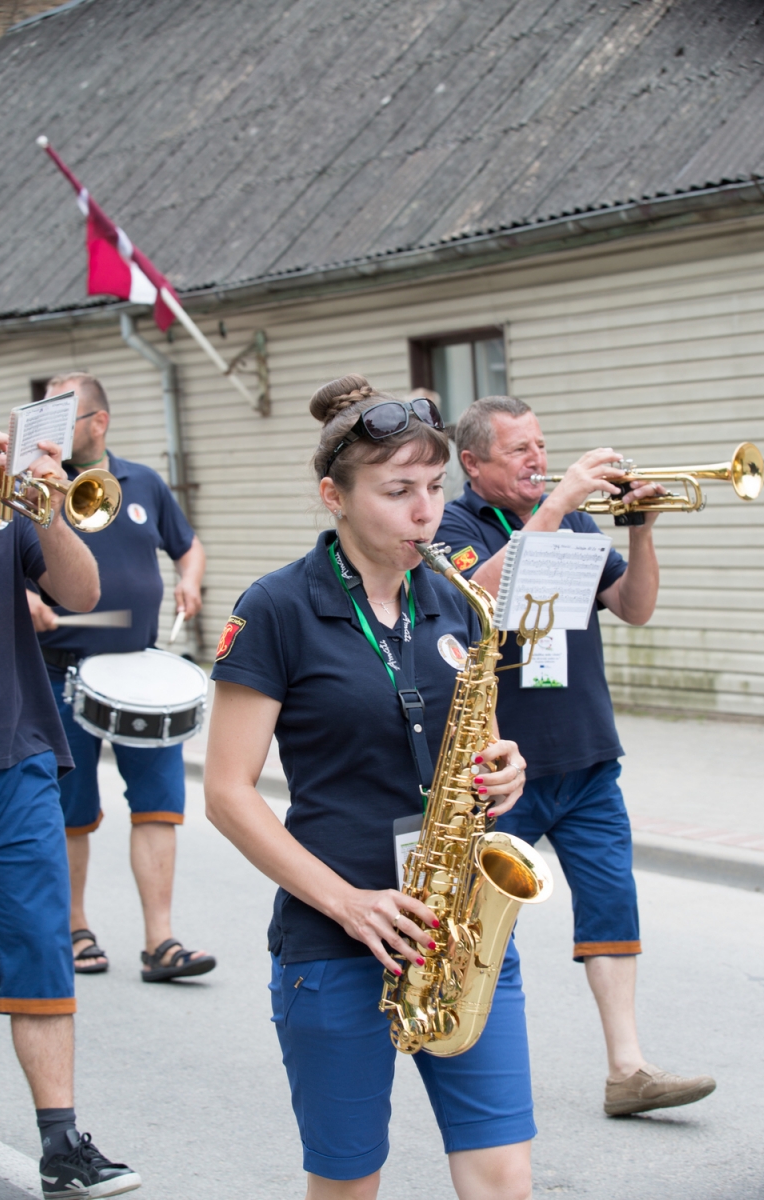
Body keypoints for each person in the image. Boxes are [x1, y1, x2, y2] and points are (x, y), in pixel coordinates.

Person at [205, 376, 536, 1200]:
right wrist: (350, 904)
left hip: (458, 925)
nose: (425, 512)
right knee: (349, 1181)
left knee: (504, 1177)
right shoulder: (276, 607)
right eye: (397, 492)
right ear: (335, 496)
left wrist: (504, 764)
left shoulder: (454, 596)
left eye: (433, 488)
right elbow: (226, 792)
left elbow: (474, 738)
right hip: (336, 939)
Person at [436, 395, 716, 1118]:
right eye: (520, 450)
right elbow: (477, 600)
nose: (539, 459)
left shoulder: (578, 521)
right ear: (473, 463)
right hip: (506, 766)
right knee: (480, 921)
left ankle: (628, 1070)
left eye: (541, 444)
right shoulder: (452, 524)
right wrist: (557, 501)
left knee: (611, 904)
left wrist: (642, 529)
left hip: (587, 753)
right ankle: (468, 1059)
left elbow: (634, 605)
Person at [0, 423, 141, 1198]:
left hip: (17, 758)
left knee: (42, 950)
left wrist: (46, 509)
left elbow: (81, 594)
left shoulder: (0, 509)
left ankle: (62, 1144)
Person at [25, 372, 215, 984]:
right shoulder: (28, 488)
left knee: (159, 808)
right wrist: (18, 597)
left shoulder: (144, 483)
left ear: (98, 423)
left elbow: (187, 546)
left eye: (65, 419)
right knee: (71, 812)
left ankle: (160, 943)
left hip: (139, 672)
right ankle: (76, 927)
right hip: (61, 675)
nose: (50, 431)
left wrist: (191, 577)